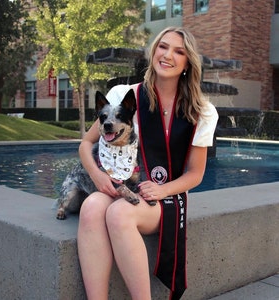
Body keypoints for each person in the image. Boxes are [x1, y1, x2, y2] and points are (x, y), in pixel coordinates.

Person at [77, 27, 218, 300]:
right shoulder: (124, 95)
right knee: (92, 206)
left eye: (179, 52)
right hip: (126, 187)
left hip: (166, 197)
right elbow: (85, 144)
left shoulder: (201, 111)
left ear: (188, 63)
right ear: (154, 51)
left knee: (119, 214)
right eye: (163, 47)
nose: (167, 55)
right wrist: (96, 175)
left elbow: (196, 174)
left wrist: (163, 190)